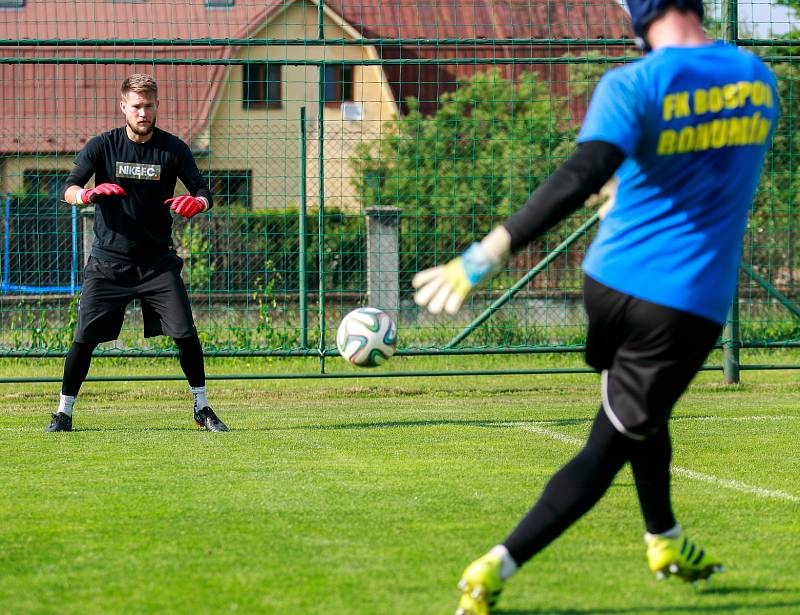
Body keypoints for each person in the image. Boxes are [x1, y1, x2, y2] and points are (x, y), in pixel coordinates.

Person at [412, 0, 779, 612]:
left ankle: (664, 538)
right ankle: (496, 567)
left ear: (638, 18)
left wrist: (486, 252)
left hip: (608, 283)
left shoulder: (632, 82)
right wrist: (487, 256)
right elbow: (707, 164)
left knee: (639, 416)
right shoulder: (756, 78)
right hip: (682, 304)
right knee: (610, 440)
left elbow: (591, 170)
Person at [45, 73, 228, 433]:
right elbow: (68, 188)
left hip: (157, 264)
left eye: (149, 105)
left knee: (185, 334)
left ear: (157, 106)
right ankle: (63, 413)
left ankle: (202, 408)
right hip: (108, 263)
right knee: (83, 338)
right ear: (123, 107)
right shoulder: (102, 146)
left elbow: (205, 191)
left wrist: (198, 203)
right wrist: (87, 195)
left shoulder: (173, 149)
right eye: (136, 106)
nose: (143, 113)